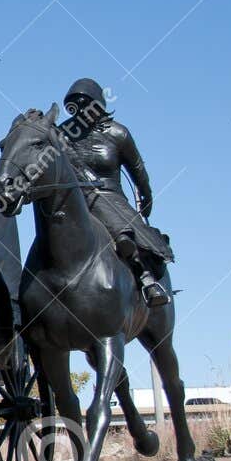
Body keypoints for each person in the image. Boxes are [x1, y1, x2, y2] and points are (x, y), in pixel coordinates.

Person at [58, 77, 173, 307]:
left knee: (130, 235)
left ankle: (144, 275)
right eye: (76, 103)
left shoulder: (118, 133)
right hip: (73, 198)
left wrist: (146, 196)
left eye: (86, 102)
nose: (81, 108)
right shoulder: (63, 134)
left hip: (111, 196)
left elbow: (137, 168)